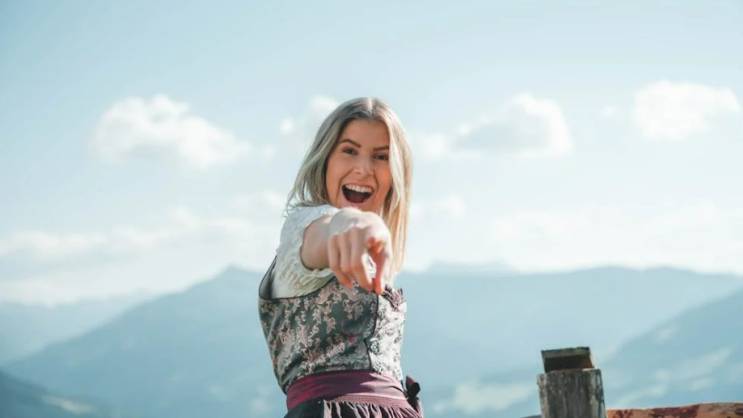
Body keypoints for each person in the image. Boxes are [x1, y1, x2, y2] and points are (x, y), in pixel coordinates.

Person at [258, 97, 423, 418]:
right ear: (325, 160)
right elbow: (325, 230)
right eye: (349, 150)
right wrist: (352, 222)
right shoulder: (303, 229)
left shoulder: (372, 258)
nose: (363, 168)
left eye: (381, 156)